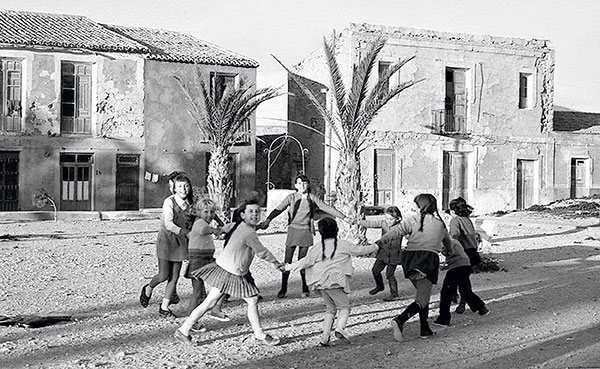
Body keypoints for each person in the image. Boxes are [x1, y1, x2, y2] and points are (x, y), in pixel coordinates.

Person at [174, 199, 284, 346]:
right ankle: (259, 335)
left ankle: (184, 330)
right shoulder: (248, 232)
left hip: (226, 269)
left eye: (257, 212)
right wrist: (276, 263)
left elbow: (232, 229)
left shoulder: (241, 226)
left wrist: (257, 226)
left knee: (210, 302)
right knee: (250, 301)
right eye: (251, 211)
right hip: (231, 272)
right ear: (243, 215)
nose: (254, 214)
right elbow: (261, 252)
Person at [285, 217, 378, 346]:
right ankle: (340, 328)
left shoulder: (317, 248)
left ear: (321, 232)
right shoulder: (343, 244)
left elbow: (306, 261)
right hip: (335, 281)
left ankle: (324, 338)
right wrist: (376, 246)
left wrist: (289, 266)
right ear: (337, 230)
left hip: (321, 282)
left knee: (330, 309)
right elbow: (360, 250)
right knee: (344, 307)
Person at [376, 194, 452, 341]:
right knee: (422, 298)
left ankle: (425, 329)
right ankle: (399, 320)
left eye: (415, 205)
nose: (414, 208)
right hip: (427, 260)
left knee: (422, 295)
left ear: (419, 207)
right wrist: (450, 252)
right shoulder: (440, 224)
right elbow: (448, 243)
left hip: (409, 259)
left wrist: (379, 242)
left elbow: (395, 232)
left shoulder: (412, 221)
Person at [258, 174, 348, 298]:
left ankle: (305, 288)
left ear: (308, 185)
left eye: (304, 183)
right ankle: (283, 287)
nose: (302, 186)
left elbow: (325, 207)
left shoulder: (312, 198)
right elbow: (279, 209)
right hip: (293, 231)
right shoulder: (291, 197)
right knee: (287, 259)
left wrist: (343, 217)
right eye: (299, 183)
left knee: (303, 261)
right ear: (295, 185)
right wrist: (268, 220)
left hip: (306, 231)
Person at [140, 174, 194, 318]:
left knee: (174, 277)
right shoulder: (169, 202)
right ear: (174, 188)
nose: (183, 189)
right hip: (167, 241)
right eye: (180, 186)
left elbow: (192, 222)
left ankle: (164, 307)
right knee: (163, 275)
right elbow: (169, 224)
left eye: (186, 186)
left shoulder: (190, 204)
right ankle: (148, 288)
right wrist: (184, 231)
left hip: (180, 243)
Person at [185, 197, 229, 324]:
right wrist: (215, 230)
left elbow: (212, 221)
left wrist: (220, 223)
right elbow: (203, 230)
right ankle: (191, 320)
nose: (209, 215)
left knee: (222, 282)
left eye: (212, 212)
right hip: (198, 261)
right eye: (206, 212)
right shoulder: (200, 223)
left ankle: (216, 308)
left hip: (207, 260)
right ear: (199, 212)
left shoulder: (205, 221)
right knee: (197, 292)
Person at [433, 239, 489, 327]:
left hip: (456, 267)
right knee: (465, 290)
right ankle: (481, 307)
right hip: (466, 266)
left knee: (446, 293)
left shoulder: (444, 242)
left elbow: (448, 251)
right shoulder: (455, 241)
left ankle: (444, 319)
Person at [358, 206, 403, 301]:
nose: (388, 221)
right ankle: (380, 286)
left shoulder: (401, 228)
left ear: (398, 218)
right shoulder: (383, 223)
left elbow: (411, 234)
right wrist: (358, 222)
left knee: (390, 274)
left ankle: (394, 294)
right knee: (375, 270)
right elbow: (371, 223)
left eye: (391, 219)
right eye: (387, 218)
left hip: (394, 255)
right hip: (383, 253)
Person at [448, 197, 482, 314]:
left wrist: (450, 248)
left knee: (460, 279)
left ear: (453, 211)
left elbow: (455, 236)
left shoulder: (455, 221)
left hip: (461, 253)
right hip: (472, 252)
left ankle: (462, 302)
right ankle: (457, 296)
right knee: (463, 278)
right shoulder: (467, 220)